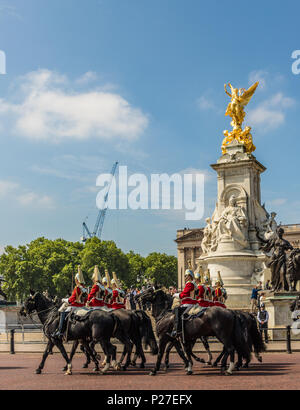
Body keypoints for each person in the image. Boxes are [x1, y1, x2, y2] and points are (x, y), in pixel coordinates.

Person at [52, 266, 88, 339]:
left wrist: (63, 299)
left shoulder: (77, 287)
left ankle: (60, 331)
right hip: (83, 307)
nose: (75, 281)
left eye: (75, 280)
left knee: (63, 313)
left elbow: (71, 299)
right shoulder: (84, 288)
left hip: (75, 307)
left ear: (77, 280)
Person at [171, 269, 198, 338]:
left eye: (186, 275)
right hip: (189, 303)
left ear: (189, 276)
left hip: (189, 303)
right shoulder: (191, 284)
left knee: (177, 310)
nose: (185, 277)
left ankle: (177, 330)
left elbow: (183, 295)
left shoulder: (189, 284)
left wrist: (175, 294)